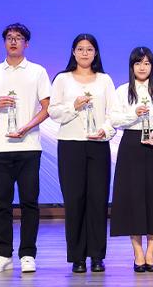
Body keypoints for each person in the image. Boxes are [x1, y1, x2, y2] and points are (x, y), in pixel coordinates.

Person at [0, 23, 51, 273]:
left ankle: (28, 254)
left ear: (26, 44)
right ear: (4, 43)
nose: (13, 41)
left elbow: (47, 108)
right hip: (0, 147)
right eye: (9, 38)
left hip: (29, 146)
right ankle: (3, 254)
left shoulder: (37, 72)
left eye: (18, 38)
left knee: (29, 202)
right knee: (1, 203)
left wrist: (26, 127)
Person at [48, 33, 117, 273]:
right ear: (73, 52)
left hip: (98, 144)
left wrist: (105, 130)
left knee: (98, 200)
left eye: (89, 49)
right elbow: (53, 112)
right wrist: (73, 106)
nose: (85, 53)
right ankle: (77, 256)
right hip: (70, 144)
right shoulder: (62, 79)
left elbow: (113, 113)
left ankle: (97, 256)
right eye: (80, 49)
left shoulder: (105, 80)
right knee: (74, 200)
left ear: (95, 53)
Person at [110, 47, 153, 273]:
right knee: (133, 197)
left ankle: (151, 252)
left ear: (152, 66)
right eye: (138, 63)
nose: (142, 67)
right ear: (132, 66)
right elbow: (114, 119)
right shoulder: (122, 91)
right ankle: (138, 252)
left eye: (146, 63)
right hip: (131, 145)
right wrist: (134, 114)